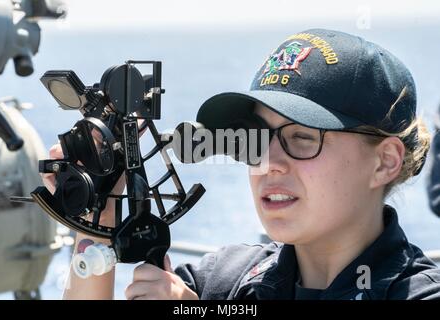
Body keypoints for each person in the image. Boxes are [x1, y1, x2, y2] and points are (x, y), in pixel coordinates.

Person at [44, 28, 440, 300]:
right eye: (258, 137)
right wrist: (98, 221)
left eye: (302, 137)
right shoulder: (222, 280)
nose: (269, 162)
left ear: (385, 162)